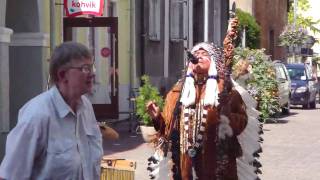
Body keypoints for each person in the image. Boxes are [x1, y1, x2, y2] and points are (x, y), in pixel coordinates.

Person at [0, 42, 103, 180]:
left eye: (92, 67)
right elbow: (10, 176)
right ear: (62, 75)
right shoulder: (37, 115)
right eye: (85, 68)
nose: (92, 74)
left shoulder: (86, 107)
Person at [146, 42, 248, 180]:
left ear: (214, 62)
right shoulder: (177, 94)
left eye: (204, 54)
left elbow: (241, 124)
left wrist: (226, 110)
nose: (198, 57)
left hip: (217, 167)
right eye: (195, 54)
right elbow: (169, 131)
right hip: (185, 169)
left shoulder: (226, 91)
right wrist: (157, 118)